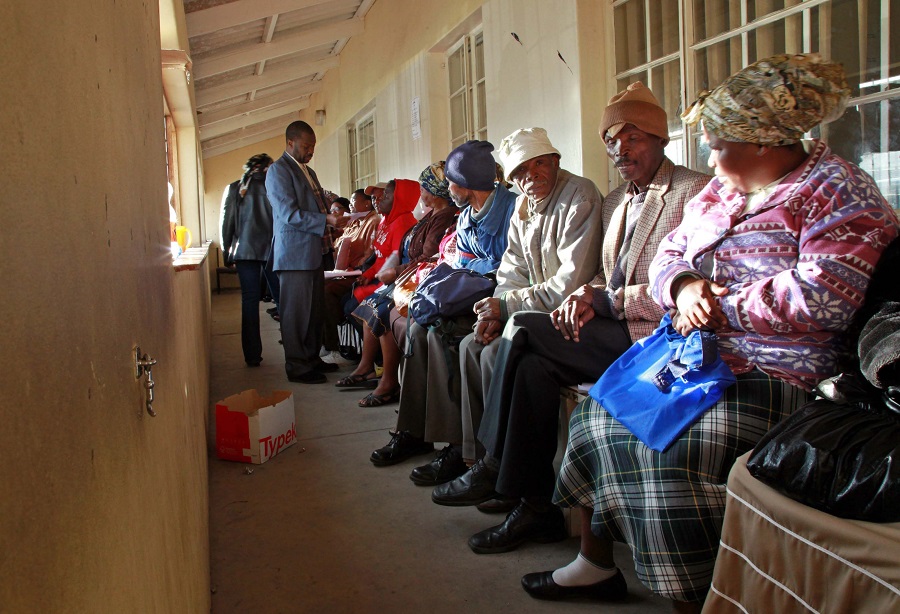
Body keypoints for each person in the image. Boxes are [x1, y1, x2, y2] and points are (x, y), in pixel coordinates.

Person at [522, 54, 899, 612]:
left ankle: (697, 598)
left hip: (781, 371)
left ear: (764, 142)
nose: (710, 159)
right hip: (696, 354)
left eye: (719, 146)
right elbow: (670, 253)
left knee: (667, 451)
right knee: (600, 411)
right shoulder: (722, 192)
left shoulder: (837, 191)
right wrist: (682, 287)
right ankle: (595, 563)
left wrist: (720, 307)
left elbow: (826, 294)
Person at [433, 83, 712, 554]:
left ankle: (493, 463)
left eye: (634, 138)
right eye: (613, 142)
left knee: (522, 327)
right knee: (531, 366)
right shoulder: (617, 200)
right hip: (610, 326)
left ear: (661, 138)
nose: (621, 150)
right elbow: (602, 273)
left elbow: (687, 286)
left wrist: (599, 299)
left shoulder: (692, 191)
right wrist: (589, 293)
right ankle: (536, 506)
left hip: (655, 337)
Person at [368, 141, 517, 475]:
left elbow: (508, 268)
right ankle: (413, 432)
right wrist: (479, 266)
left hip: (498, 301)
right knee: (418, 328)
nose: (447, 189)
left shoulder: (511, 211)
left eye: (450, 182)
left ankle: (457, 447)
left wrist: (476, 267)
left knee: (439, 334)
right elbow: (458, 262)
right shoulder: (466, 216)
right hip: (468, 298)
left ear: (466, 183)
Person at [339, 163, 458, 406]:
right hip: (406, 276)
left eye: (425, 186)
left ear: (435, 191)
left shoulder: (444, 217)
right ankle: (367, 367)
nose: (421, 192)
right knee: (370, 304)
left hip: (420, 280)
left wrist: (394, 272)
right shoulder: (430, 216)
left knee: (383, 310)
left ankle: (389, 381)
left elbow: (428, 258)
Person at [266, 120, 348, 384]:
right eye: (306, 146)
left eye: (313, 146)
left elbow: (317, 206)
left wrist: (333, 216)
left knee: (313, 312)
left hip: (314, 252)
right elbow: (289, 214)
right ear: (290, 143)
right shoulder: (278, 171)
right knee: (296, 313)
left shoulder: (308, 171)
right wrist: (326, 220)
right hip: (294, 255)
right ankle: (297, 366)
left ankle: (311, 359)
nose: (311, 151)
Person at [220, 153, 280, 367]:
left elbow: (227, 222)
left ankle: (252, 355)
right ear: (267, 168)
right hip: (273, 250)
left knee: (249, 302)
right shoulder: (274, 186)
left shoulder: (235, 187)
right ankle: (294, 352)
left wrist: (227, 252)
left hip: (244, 251)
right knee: (282, 300)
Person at [321, 189, 380, 365]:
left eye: (354, 200)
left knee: (327, 292)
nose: (351, 204)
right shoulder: (354, 222)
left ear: (366, 204)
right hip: (343, 271)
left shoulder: (373, 221)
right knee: (315, 287)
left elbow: (370, 256)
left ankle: (335, 346)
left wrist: (353, 268)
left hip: (359, 274)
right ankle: (324, 341)